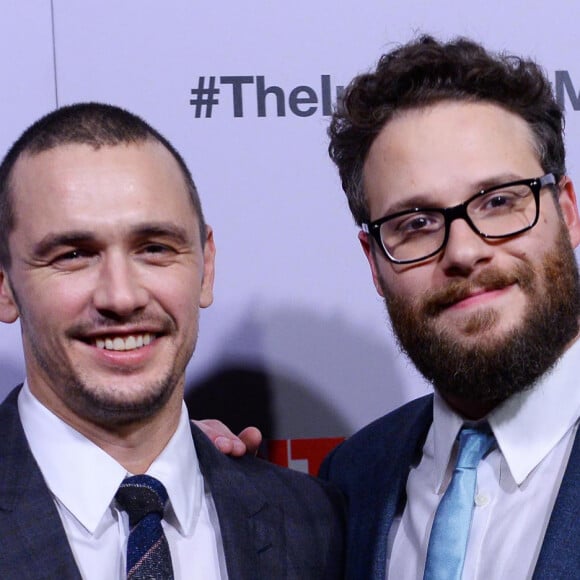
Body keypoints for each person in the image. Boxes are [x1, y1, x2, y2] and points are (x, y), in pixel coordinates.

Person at [214, 35, 580, 578]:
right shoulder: (352, 479)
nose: (463, 251)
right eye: (415, 224)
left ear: (567, 213)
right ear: (373, 261)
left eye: (500, 201)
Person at [0, 102, 344, 579]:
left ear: (206, 265)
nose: (121, 297)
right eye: (74, 254)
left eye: (155, 248)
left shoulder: (314, 522)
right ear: (4, 285)